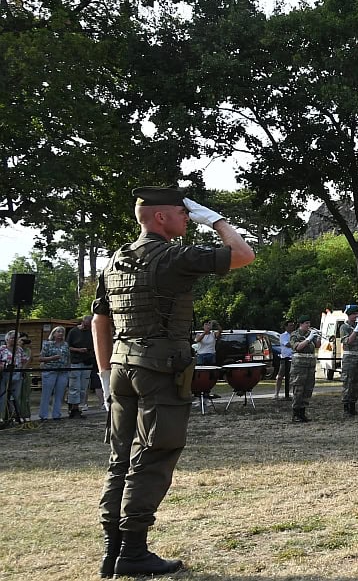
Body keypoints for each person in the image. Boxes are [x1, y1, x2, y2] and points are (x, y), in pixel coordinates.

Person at [93, 187, 254, 576]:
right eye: (182, 212)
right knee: (154, 455)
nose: (188, 217)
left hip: (121, 369)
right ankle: (133, 552)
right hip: (159, 371)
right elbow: (243, 254)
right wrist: (215, 219)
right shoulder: (173, 257)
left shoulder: (116, 260)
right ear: (161, 217)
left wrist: (104, 375)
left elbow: (100, 319)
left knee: (120, 458)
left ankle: (112, 550)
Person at [288, 317, 321, 423]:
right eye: (306, 323)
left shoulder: (310, 333)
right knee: (298, 390)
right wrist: (309, 339)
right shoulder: (295, 334)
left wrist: (318, 337)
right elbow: (297, 347)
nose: (308, 325)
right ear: (301, 324)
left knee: (308, 389)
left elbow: (317, 345)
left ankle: (302, 413)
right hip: (299, 367)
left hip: (310, 366)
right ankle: (296, 413)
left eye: (309, 323)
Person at [337, 305, 358, 418]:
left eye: (356, 314)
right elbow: (348, 341)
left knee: (357, 384)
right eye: (353, 314)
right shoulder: (344, 327)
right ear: (349, 315)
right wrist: (357, 329)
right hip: (349, 358)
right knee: (348, 383)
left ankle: (353, 407)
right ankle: (346, 407)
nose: (355, 316)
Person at [38, 325, 71, 421]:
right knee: (46, 394)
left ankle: (56, 414)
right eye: (58, 332)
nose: (60, 334)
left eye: (62, 332)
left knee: (60, 394)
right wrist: (52, 358)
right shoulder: (47, 344)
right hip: (50, 371)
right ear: (53, 334)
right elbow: (41, 358)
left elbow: (68, 357)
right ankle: (43, 415)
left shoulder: (65, 345)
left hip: (62, 371)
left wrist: (68, 367)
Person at [67, 316, 95, 418]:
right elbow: (67, 346)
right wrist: (78, 350)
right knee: (75, 385)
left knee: (83, 386)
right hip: (76, 361)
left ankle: (78, 407)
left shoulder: (91, 332)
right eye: (86, 325)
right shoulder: (73, 332)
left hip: (87, 361)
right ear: (82, 322)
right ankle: (73, 407)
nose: (86, 327)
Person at [1, 330, 30, 421]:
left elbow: (25, 360)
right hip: (5, 373)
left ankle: (14, 415)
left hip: (17, 373)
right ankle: (2, 416)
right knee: (3, 396)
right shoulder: (2, 349)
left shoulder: (19, 349)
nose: (14, 340)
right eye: (12, 338)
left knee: (16, 396)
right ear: (7, 339)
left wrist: (22, 370)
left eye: (16, 338)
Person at [274, 320, 295, 400]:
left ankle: (288, 393)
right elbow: (287, 345)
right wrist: (296, 344)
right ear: (286, 327)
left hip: (293, 358)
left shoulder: (295, 335)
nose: (292, 327)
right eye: (290, 325)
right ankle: (276, 393)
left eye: (292, 325)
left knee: (292, 377)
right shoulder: (282, 336)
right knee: (280, 376)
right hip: (285, 358)